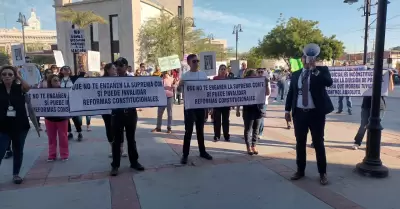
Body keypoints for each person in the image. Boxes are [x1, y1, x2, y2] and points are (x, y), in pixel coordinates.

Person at [284, 52, 333, 185]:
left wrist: (315, 69)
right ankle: (300, 170)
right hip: (299, 113)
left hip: (316, 114)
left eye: (311, 58)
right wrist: (287, 110)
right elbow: (291, 93)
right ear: (302, 59)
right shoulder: (296, 74)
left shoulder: (322, 70)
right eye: (306, 57)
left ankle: (322, 173)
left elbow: (329, 83)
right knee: (300, 142)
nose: (308, 60)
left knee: (318, 143)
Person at [110, 57, 144, 176]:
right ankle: (115, 165)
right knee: (117, 140)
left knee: (131, 139)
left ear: (126, 66)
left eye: (120, 65)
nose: (118, 68)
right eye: (116, 66)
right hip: (117, 114)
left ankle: (134, 162)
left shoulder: (132, 79)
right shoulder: (111, 80)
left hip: (130, 113)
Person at [179, 54, 213, 164]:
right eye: (194, 61)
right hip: (189, 107)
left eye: (197, 61)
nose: (197, 63)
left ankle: (202, 152)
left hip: (201, 107)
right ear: (189, 63)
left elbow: (207, 90)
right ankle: (185, 155)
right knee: (188, 131)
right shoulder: (185, 76)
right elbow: (179, 90)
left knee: (200, 131)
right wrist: (180, 84)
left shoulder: (203, 75)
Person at [0, 65, 31, 184]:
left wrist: (18, 76)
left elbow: (28, 87)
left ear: (14, 77)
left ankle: (16, 174)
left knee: (18, 150)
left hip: (20, 125)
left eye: (10, 74)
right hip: (3, 126)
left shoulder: (19, 88)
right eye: (4, 74)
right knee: (1, 150)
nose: (7, 76)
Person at [236, 69, 270, 155]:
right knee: (248, 129)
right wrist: (237, 109)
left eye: (255, 75)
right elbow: (239, 97)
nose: (254, 77)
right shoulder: (243, 84)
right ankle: (248, 147)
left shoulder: (260, 83)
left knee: (256, 129)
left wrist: (266, 84)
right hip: (248, 109)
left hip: (258, 109)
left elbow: (267, 93)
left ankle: (254, 146)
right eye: (252, 75)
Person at [44, 74, 69, 161]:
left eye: (58, 80)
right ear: (50, 82)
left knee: (63, 137)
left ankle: (64, 155)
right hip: (49, 118)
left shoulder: (64, 91)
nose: (57, 82)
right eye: (55, 80)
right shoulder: (44, 92)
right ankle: (52, 155)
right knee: (51, 137)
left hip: (62, 118)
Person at [59, 66, 86, 141]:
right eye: (65, 69)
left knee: (75, 118)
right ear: (62, 71)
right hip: (64, 101)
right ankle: (69, 132)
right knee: (66, 118)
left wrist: (81, 70)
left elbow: (81, 76)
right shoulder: (59, 79)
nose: (67, 70)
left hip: (73, 100)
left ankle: (79, 132)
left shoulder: (73, 78)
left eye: (68, 69)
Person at [212, 64, 231, 142]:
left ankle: (226, 136)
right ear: (219, 70)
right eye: (221, 69)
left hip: (226, 103)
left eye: (224, 69)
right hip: (217, 103)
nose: (223, 70)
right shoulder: (215, 79)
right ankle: (217, 136)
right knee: (217, 120)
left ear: (226, 70)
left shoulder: (229, 79)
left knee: (225, 120)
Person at [258, 68, 272, 139]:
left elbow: (268, 93)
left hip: (263, 102)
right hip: (256, 102)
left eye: (262, 72)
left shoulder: (267, 81)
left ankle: (260, 133)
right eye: (259, 72)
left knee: (261, 118)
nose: (260, 73)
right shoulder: (255, 81)